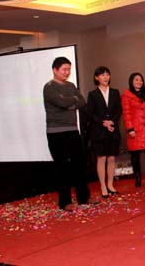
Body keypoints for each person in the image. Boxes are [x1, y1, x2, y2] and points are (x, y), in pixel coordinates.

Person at [43, 56, 96, 211]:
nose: (67, 72)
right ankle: (65, 202)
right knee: (62, 167)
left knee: (79, 164)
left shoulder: (71, 85)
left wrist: (69, 103)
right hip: (55, 132)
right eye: (64, 69)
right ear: (55, 70)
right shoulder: (49, 87)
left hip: (72, 130)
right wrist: (72, 101)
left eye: (69, 69)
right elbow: (61, 102)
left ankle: (83, 197)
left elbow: (82, 102)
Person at [86, 66, 122, 198]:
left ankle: (110, 185)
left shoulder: (115, 92)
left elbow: (119, 110)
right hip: (98, 131)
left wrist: (111, 122)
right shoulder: (92, 94)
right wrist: (103, 122)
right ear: (96, 78)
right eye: (102, 75)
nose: (105, 77)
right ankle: (102, 186)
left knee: (112, 158)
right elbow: (90, 113)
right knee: (101, 158)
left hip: (112, 129)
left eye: (107, 74)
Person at [121, 72, 145, 187]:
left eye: (141, 80)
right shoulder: (126, 95)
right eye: (136, 80)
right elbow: (126, 113)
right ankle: (137, 178)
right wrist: (130, 128)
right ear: (131, 82)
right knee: (135, 155)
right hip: (135, 129)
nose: (139, 82)